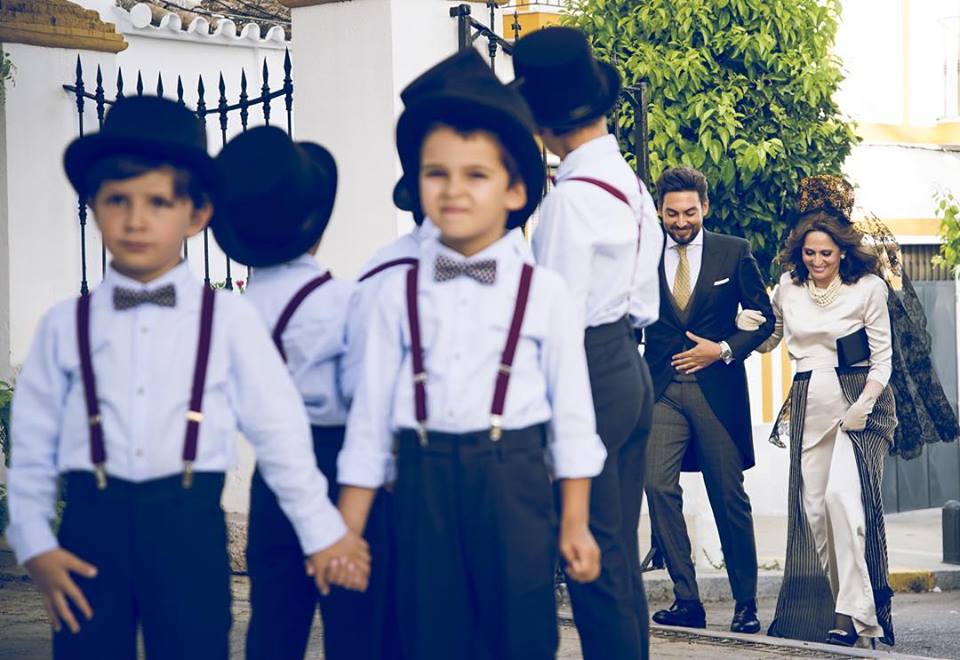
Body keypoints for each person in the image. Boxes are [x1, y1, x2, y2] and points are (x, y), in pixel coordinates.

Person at [3, 96, 368, 660]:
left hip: (189, 526)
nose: (136, 219)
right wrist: (33, 540)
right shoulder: (62, 326)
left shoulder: (229, 321)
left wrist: (323, 533)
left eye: (158, 202)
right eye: (117, 200)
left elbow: (282, 436)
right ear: (93, 208)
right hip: (89, 530)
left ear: (198, 215)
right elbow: (31, 446)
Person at [336, 49, 607, 660]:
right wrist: (346, 532)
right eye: (437, 174)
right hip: (422, 475)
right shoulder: (392, 290)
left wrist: (575, 520)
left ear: (515, 189)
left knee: (520, 630)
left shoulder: (544, 292)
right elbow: (369, 422)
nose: (454, 190)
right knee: (428, 631)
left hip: (512, 477)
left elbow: (572, 419)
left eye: (475, 176)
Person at [211, 125, 391, 660]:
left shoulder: (236, 311)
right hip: (344, 468)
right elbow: (370, 406)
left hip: (273, 477)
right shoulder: (345, 301)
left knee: (274, 623)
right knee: (358, 626)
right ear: (314, 225)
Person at [512, 26, 663, 660]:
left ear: (543, 125)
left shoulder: (571, 201)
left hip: (590, 370)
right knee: (618, 553)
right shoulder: (630, 184)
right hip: (629, 363)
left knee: (591, 560)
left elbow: (553, 317)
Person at [758, 175, 897, 647]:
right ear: (800, 252)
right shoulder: (787, 287)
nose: (817, 261)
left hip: (859, 408)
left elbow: (884, 359)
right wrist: (749, 325)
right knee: (815, 513)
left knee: (843, 503)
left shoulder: (868, 289)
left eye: (827, 253)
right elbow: (771, 340)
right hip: (808, 406)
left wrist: (864, 405)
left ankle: (849, 617)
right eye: (810, 253)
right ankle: (849, 609)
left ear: (842, 253)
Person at [642, 166, 774, 633]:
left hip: (716, 390)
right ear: (660, 210)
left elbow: (766, 318)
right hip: (660, 391)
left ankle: (745, 604)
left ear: (705, 207)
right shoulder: (641, 254)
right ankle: (687, 600)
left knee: (728, 497)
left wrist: (721, 349)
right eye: (672, 213)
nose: (681, 222)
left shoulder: (732, 252)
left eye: (690, 212)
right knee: (657, 487)